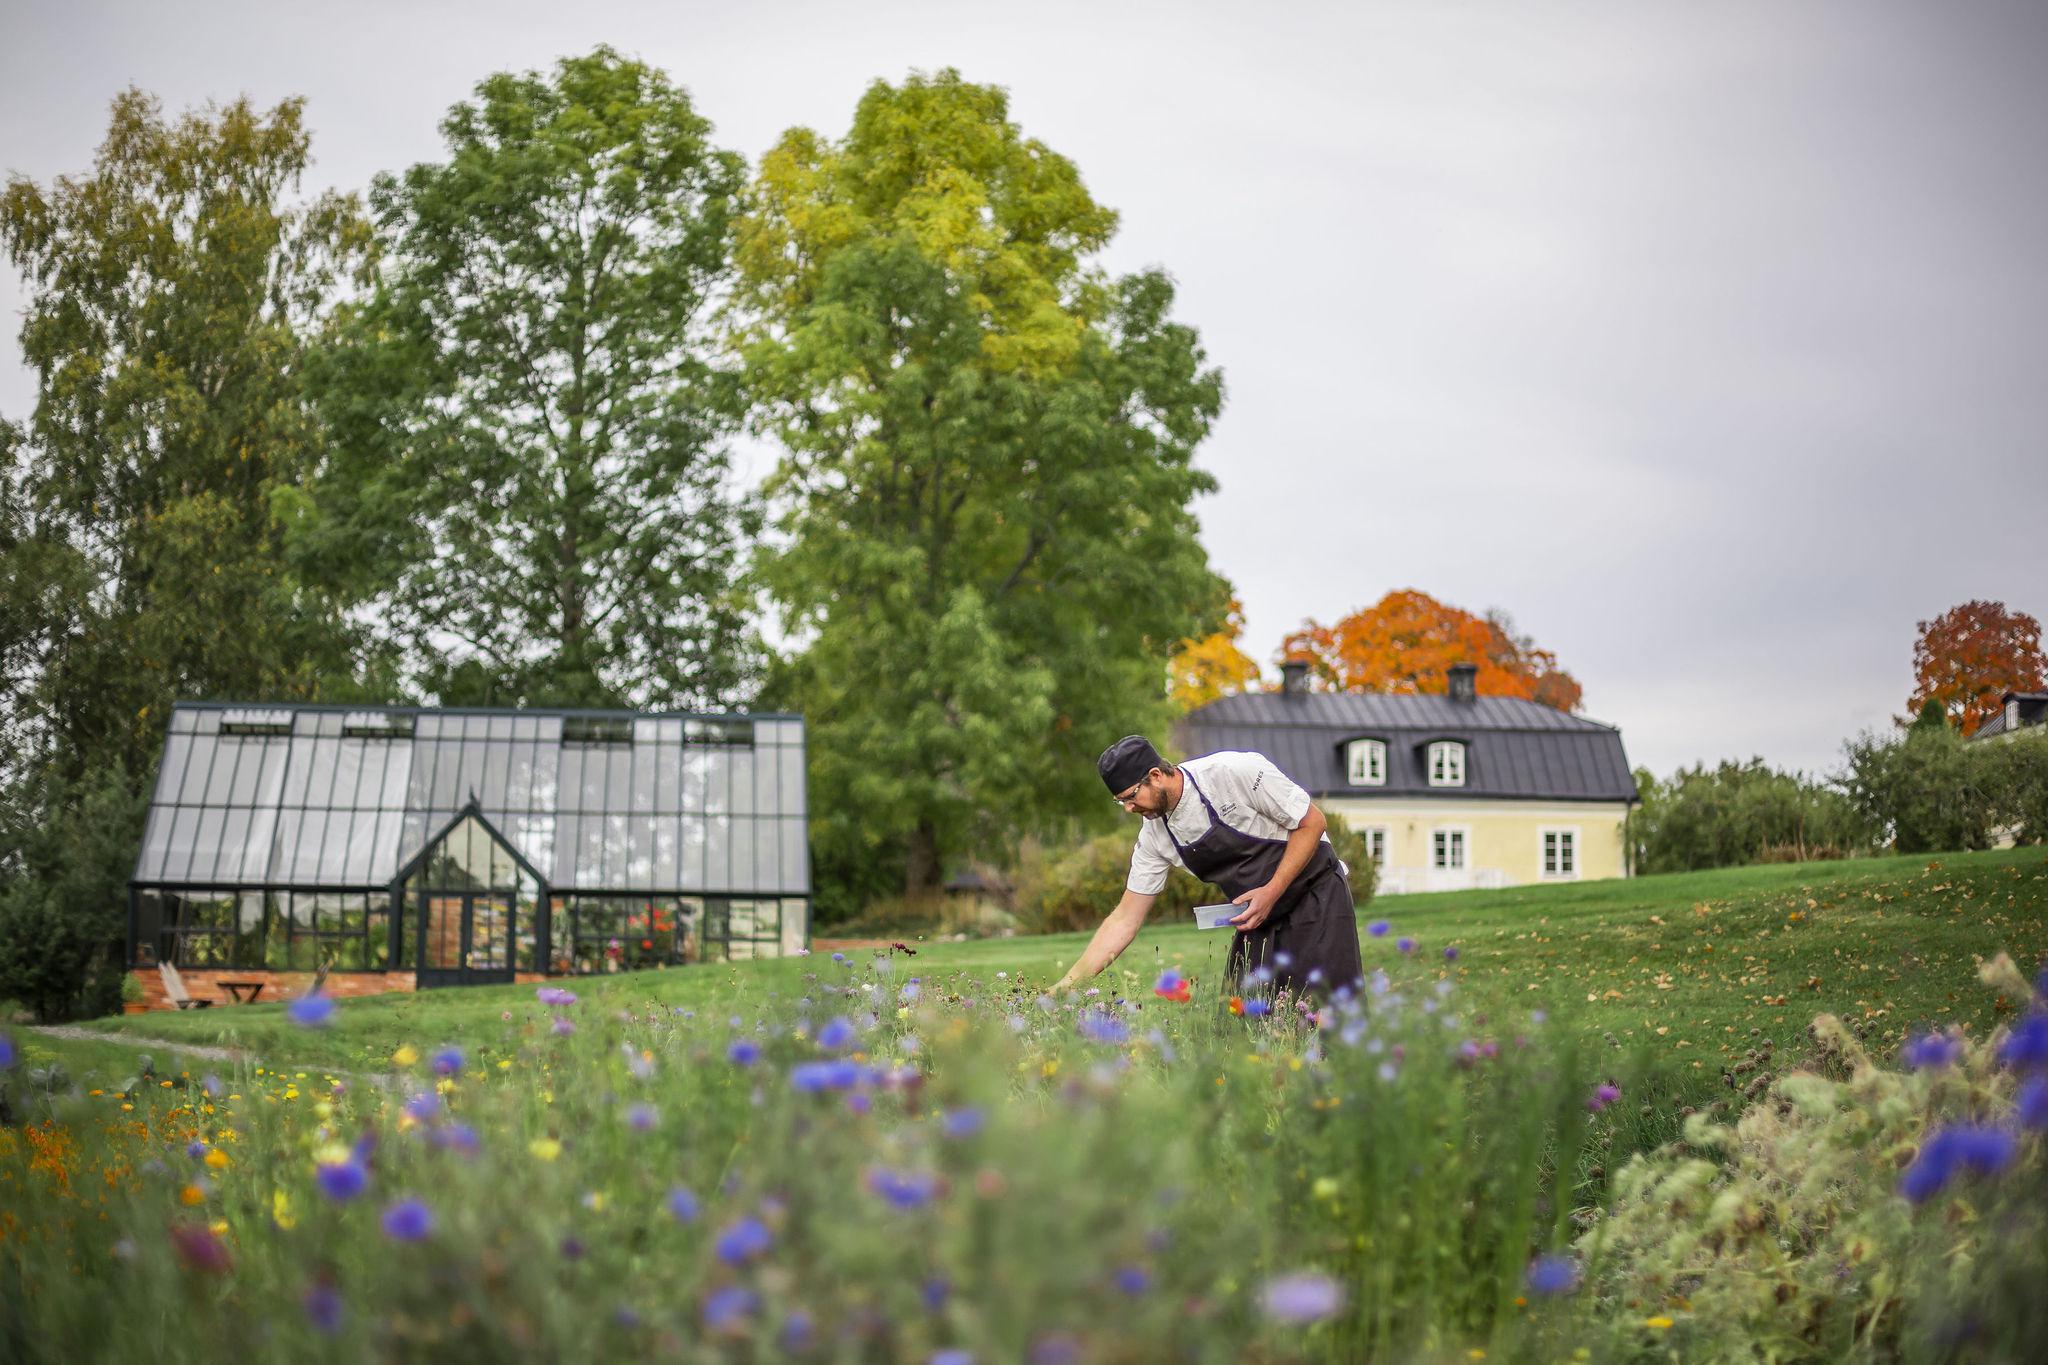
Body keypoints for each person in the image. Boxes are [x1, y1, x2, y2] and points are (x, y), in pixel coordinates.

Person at [1051, 736, 1364, 999]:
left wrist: (1272, 891)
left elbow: (1312, 822)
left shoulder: (1233, 772)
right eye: (1121, 802)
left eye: (1131, 797)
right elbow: (1124, 919)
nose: (1130, 808)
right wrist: (1067, 985)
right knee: (1246, 1028)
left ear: (1156, 776)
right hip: (1259, 917)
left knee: (1329, 1014)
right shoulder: (1154, 838)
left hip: (1318, 898)